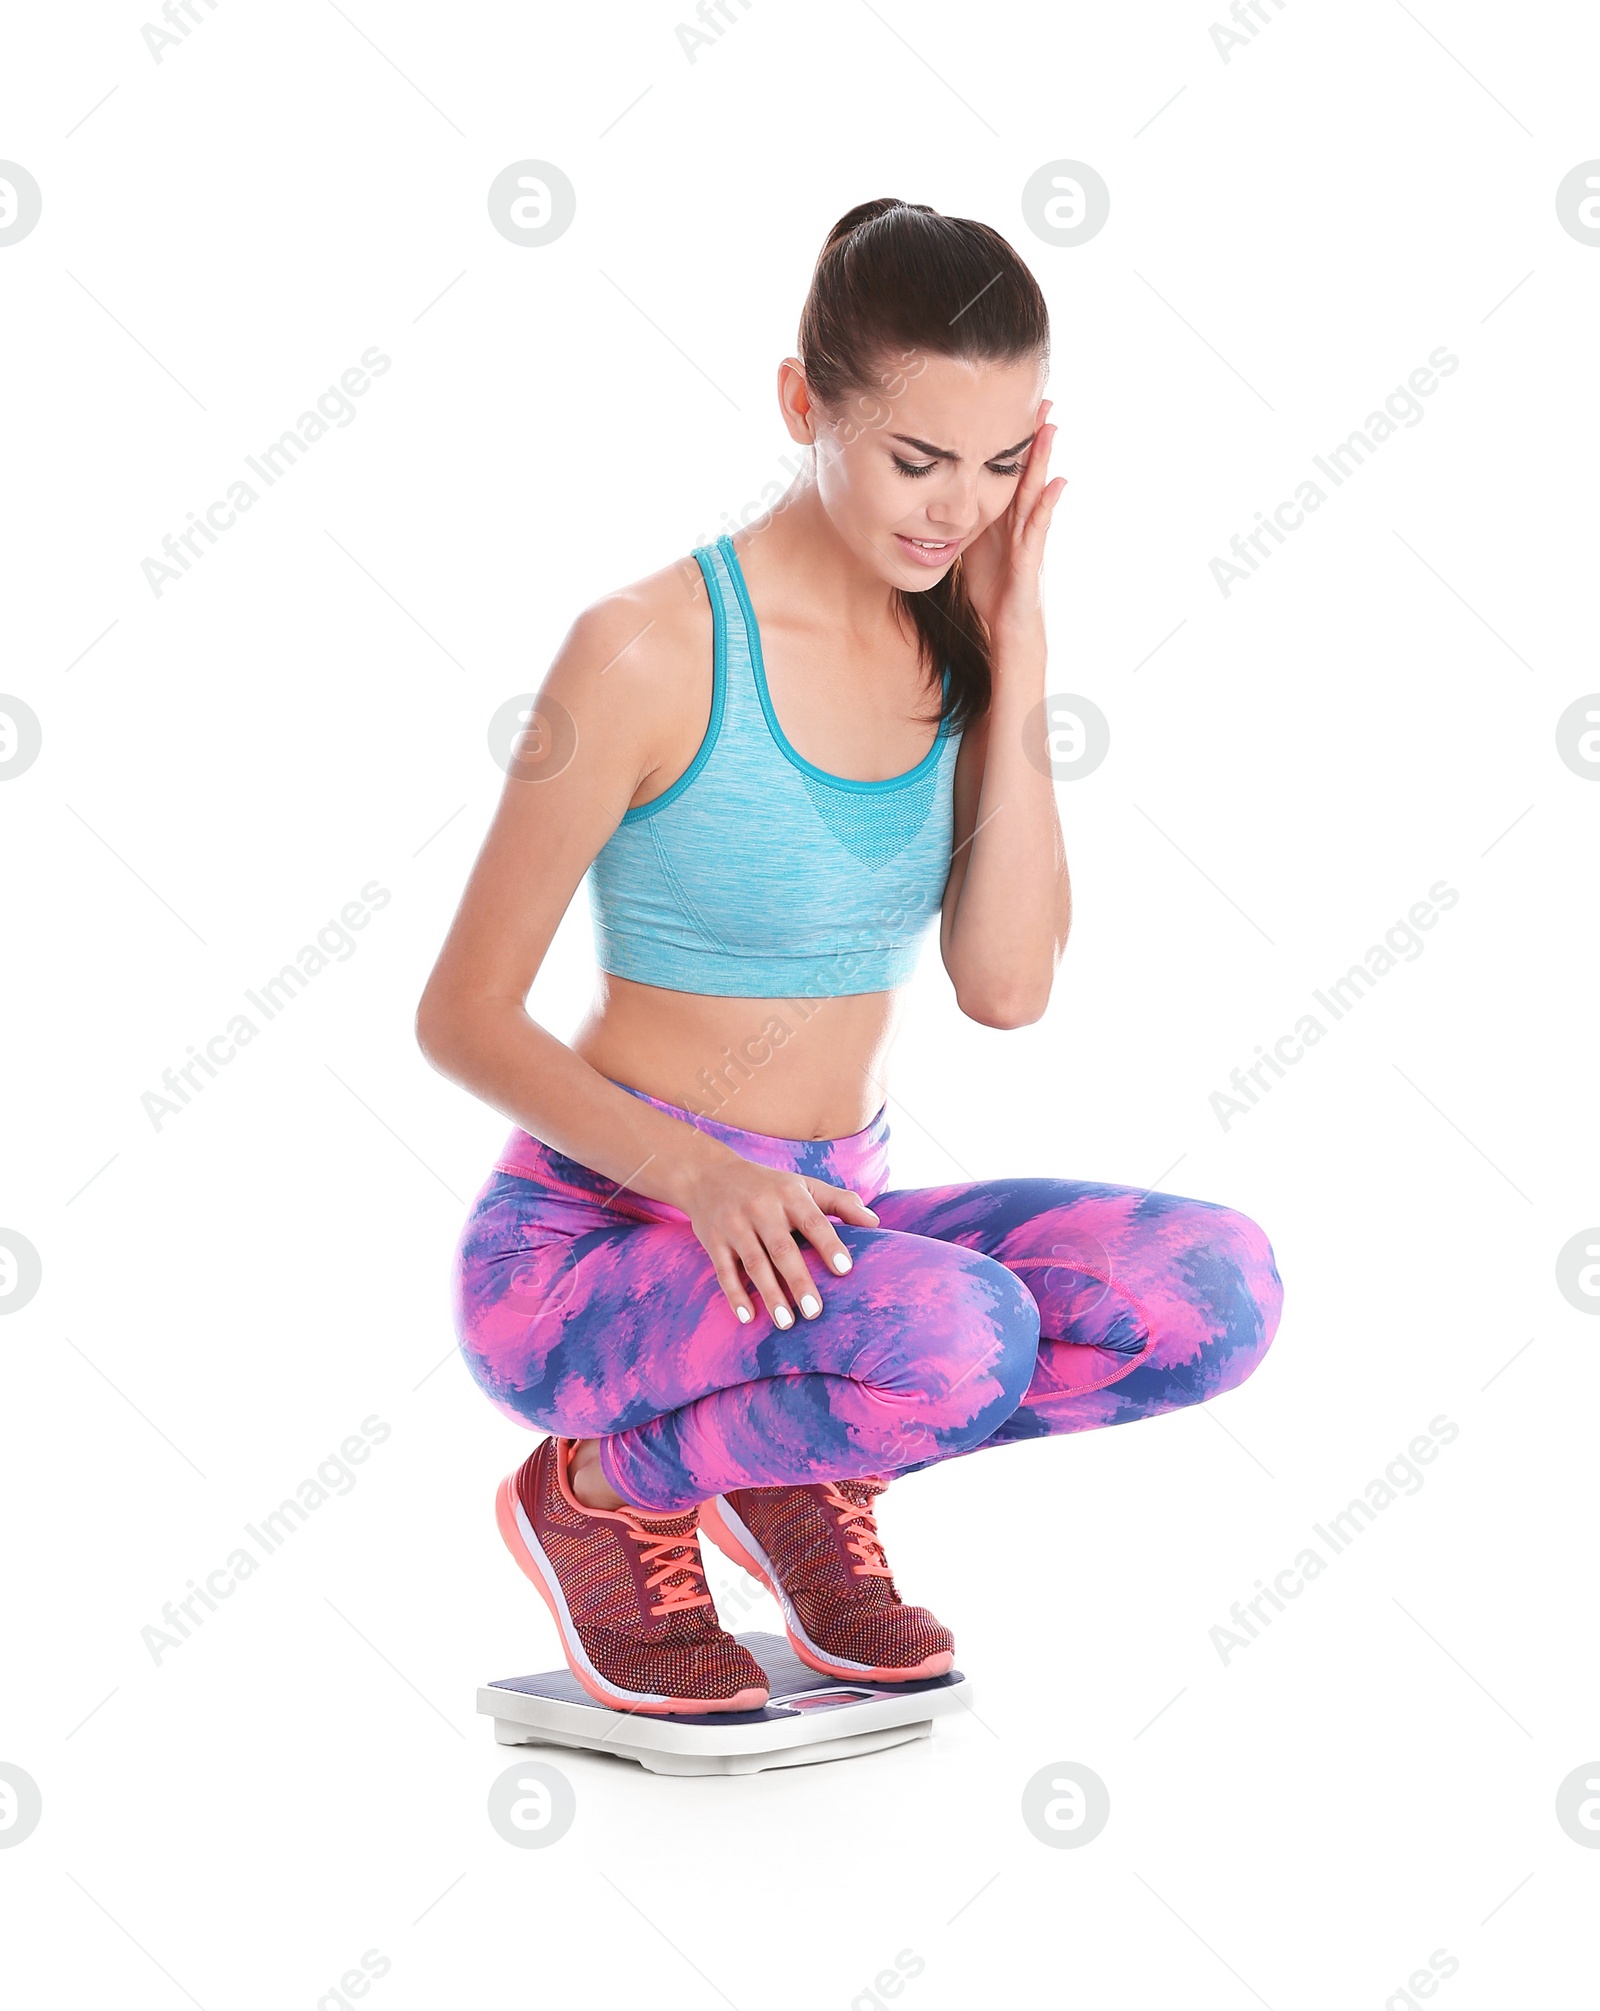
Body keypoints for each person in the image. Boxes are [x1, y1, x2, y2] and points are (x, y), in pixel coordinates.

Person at [416, 197, 1284, 1717]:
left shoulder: (953, 645)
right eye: (917, 457)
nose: (957, 507)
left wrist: (1015, 652)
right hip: (597, 1256)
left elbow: (1007, 988)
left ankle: (790, 1453)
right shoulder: (648, 648)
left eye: (1002, 462)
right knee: (957, 1338)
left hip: (823, 1239)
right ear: (803, 406)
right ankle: (601, 1492)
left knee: (1214, 1292)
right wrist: (701, 1173)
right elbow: (462, 1015)